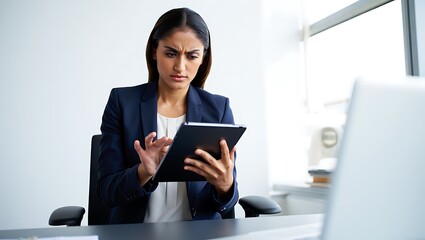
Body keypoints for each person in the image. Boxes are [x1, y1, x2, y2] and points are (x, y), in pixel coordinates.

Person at [98, 7, 239, 224]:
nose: (180, 66)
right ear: (155, 51)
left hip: (199, 235)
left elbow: (227, 202)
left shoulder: (218, 109)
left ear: (203, 58)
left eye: (192, 56)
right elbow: (106, 193)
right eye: (171, 53)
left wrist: (225, 185)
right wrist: (143, 172)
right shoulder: (122, 102)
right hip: (135, 234)